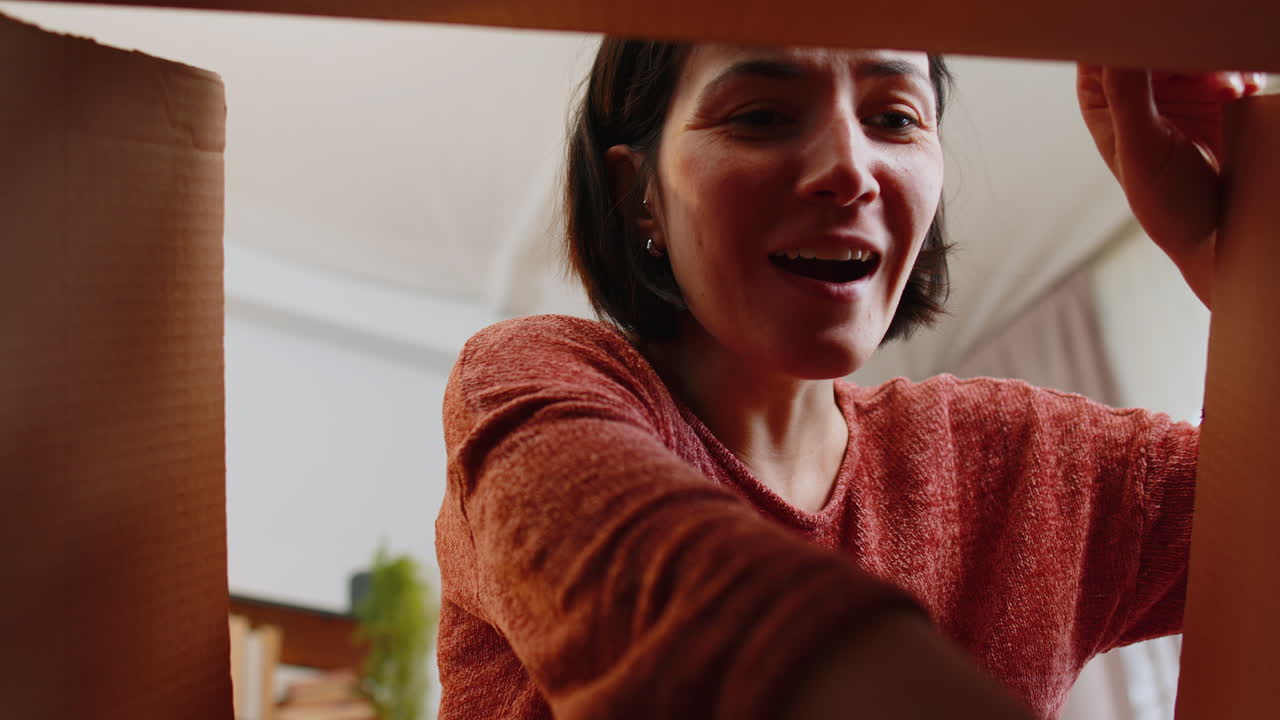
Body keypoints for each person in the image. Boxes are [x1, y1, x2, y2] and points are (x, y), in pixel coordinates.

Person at [434, 38, 1265, 720]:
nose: (850, 169)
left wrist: (1240, 266)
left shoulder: (1032, 465)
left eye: (895, 118)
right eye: (760, 116)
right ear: (637, 195)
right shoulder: (530, 380)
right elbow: (683, 620)